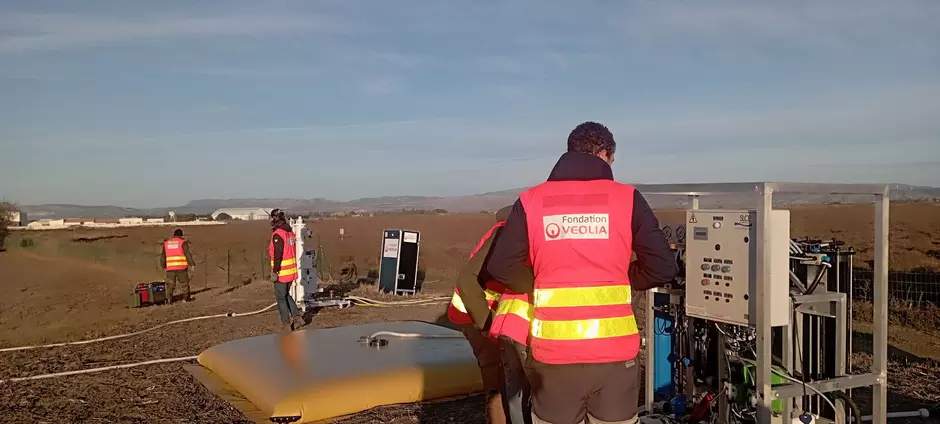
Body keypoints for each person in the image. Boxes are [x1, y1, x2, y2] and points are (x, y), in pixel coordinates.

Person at [486, 122, 679, 424]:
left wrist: (541, 283)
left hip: (553, 356)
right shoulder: (627, 198)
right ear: (604, 154)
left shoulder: (531, 200)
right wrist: (623, 276)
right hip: (616, 359)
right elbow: (664, 266)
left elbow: (500, 267)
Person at [449, 205, 536, 424]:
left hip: (495, 315)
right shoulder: (504, 234)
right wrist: (489, 328)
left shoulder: (512, 231)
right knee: (498, 387)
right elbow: (467, 283)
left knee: (510, 384)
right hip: (475, 315)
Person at [269, 209, 304, 332]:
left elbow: (278, 254)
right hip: (291, 271)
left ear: (275, 219)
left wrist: (275, 271)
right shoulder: (289, 232)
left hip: (282, 272)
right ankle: (297, 317)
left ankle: (286, 324)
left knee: (280, 298)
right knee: (285, 295)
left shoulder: (278, 234)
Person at [160, 228, 194, 303]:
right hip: (181, 267)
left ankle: (169, 299)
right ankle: (186, 299)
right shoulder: (183, 242)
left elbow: (163, 256)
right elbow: (187, 254)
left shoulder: (166, 243)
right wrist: (192, 264)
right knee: (184, 283)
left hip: (170, 268)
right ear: (181, 235)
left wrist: (163, 265)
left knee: (170, 284)